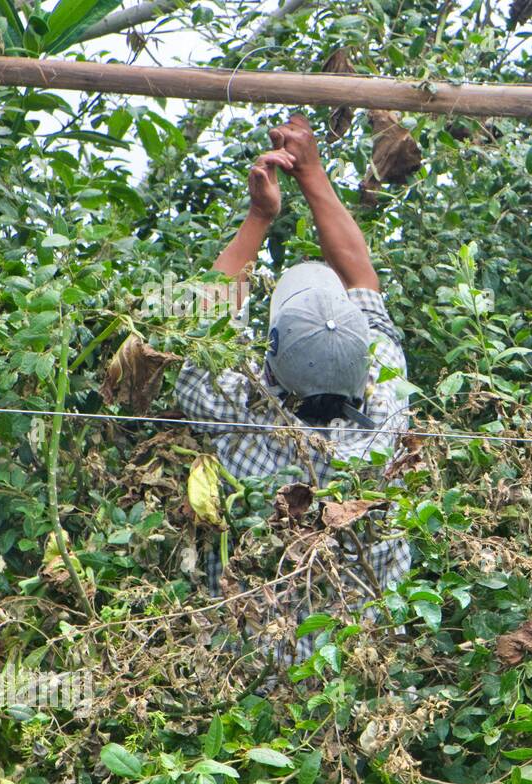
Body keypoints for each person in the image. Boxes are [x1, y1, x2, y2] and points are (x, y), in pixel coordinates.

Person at [174, 114, 411, 665]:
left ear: (272, 367)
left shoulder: (242, 423)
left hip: (250, 681)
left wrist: (260, 215)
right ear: (363, 356)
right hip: (362, 681)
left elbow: (196, 329)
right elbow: (361, 279)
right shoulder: (389, 405)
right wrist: (315, 173)